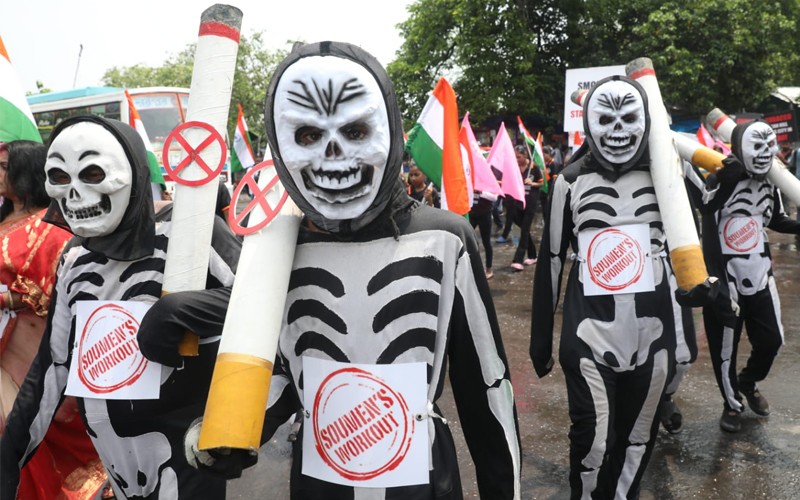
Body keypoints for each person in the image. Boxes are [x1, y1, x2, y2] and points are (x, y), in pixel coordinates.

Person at [156, 41, 521, 499]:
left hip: (424, 480)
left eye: (355, 130)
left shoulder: (445, 238)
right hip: (319, 481)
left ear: (389, 130)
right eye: (308, 135)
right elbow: (287, 372)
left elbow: (486, 387)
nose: (332, 152)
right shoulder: (277, 249)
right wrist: (231, 430)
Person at [0, 116, 242, 499]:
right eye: (60, 178)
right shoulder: (74, 257)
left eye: (93, 174)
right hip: (113, 460)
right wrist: (9, 458)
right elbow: (53, 365)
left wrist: (181, 311)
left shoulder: (190, 233)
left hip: (185, 449)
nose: (74, 193)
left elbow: (259, 305)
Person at [530, 75, 682, 498]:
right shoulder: (569, 182)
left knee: (638, 438)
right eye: (606, 118)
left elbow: (688, 252)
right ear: (589, 124)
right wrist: (541, 339)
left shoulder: (668, 178)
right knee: (593, 441)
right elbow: (552, 260)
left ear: (645, 121)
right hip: (589, 334)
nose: (617, 129)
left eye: (629, 118)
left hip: (653, 335)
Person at [0, 140, 107, 499]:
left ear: (26, 172)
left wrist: (7, 299)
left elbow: (62, 294)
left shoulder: (52, 231)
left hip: (30, 352)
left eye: (4, 167)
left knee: (31, 426)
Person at [690, 120, 800, 433]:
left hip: (761, 273)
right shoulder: (720, 178)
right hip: (726, 279)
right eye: (758, 145)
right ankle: (732, 404)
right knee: (724, 350)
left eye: (770, 145)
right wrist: (717, 282)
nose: (766, 153)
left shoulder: (770, 182)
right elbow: (707, 214)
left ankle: (748, 381)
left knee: (772, 340)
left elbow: (775, 218)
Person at [507, 145, 542, 271]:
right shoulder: (514, 167)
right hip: (518, 203)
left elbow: (542, 183)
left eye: (519, 157)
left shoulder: (534, 168)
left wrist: (532, 183)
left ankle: (518, 260)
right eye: (515, 157)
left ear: (526, 155)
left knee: (524, 231)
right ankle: (533, 256)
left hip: (530, 203)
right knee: (524, 230)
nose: (516, 159)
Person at [469, 189, 499, 279]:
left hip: (485, 215)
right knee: (467, 240)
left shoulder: (488, 182)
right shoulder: (471, 181)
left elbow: (494, 197)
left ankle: (489, 269)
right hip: (471, 214)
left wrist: (481, 192)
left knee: (486, 243)